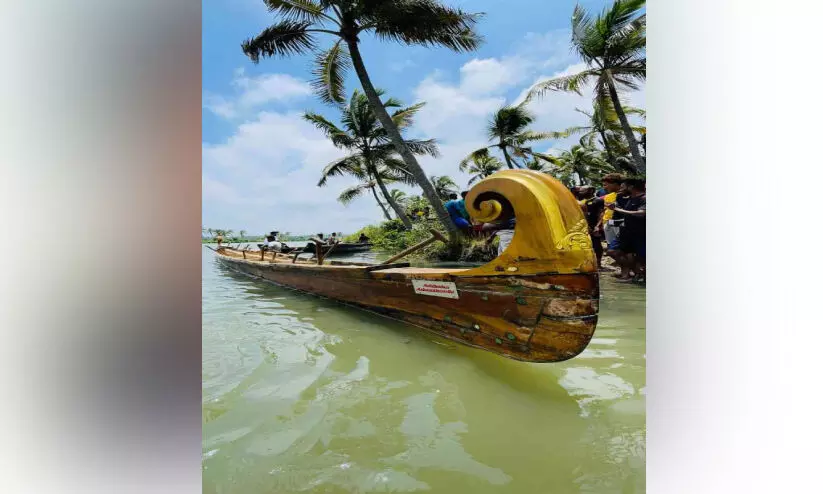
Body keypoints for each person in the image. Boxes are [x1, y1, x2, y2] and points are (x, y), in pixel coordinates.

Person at [606, 178, 646, 282]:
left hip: (640, 233)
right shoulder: (629, 198)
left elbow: (642, 213)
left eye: (623, 187)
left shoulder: (644, 198)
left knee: (641, 258)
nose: (621, 189)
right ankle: (635, 272)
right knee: (612, 251)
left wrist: (618, 209)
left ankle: (637, 276)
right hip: (626, 232)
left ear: (631, 187)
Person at [579, 186, 604, 268]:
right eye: (580, 191)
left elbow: (601, 213)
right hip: (584, 226)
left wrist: (597, 226)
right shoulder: (582, 201)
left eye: (583, 191)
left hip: (594, 226)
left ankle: (599, 263)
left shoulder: (598, 200)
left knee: (596, 244)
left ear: (591, 191)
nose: (580, 192)